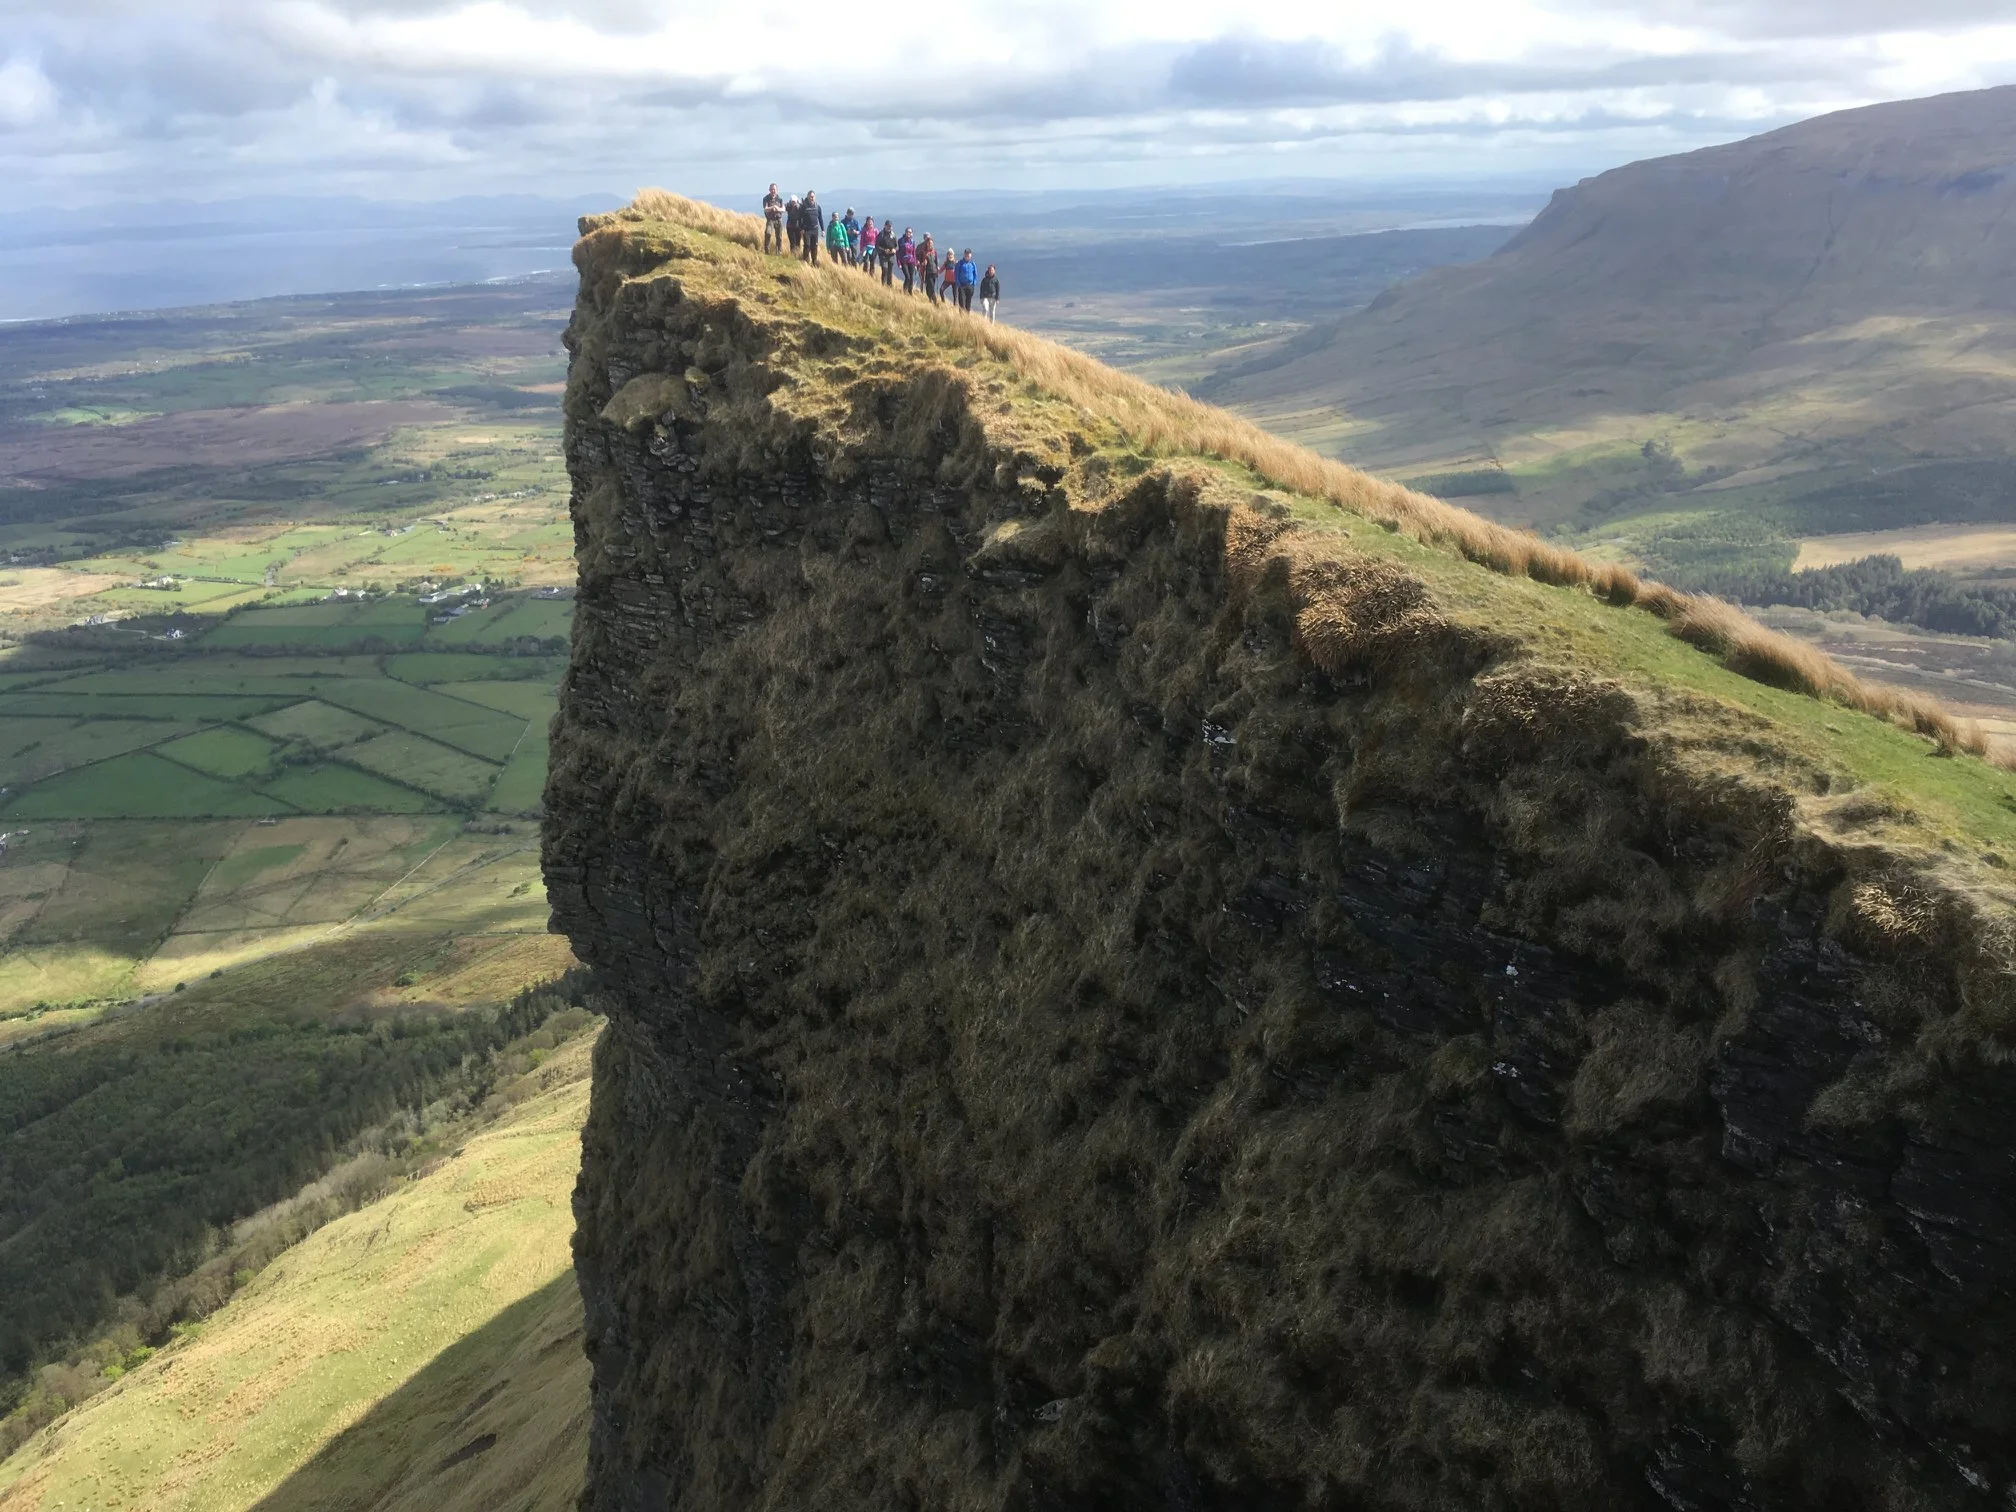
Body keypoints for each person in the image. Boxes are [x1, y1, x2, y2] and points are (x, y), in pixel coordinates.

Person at [800, 192, 824, 264]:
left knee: (815, 245)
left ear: (815, 197)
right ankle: (805, 260)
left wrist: (823, 230)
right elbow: (800, 218)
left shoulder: (817, 207)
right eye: (810, 197)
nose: (812, 198)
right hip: (806, 230)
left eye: (813, 196)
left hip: (815, 229)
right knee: (807, 245)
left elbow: (820, 219)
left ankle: (814, 261)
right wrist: (801, 229)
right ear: (807, 197)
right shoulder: (804, 207)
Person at [762, 183, 785, 254]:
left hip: (778, 219)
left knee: (779, 237)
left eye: (774, 189)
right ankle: (767, 251)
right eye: (771, 189)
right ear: (769, 190)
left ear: (777, 190)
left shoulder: (780, 199)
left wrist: (777, 208)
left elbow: (783, 209)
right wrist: (772, 207)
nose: (773, 191)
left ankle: (779, 252)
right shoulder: (766, 199)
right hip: (770, 220)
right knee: (768, 233)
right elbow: (765, 209)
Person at [955, 248, 979, 312]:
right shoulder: (960, 263)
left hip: (970, 286)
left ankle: (967, 316)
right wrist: (958, 284)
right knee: (962, 302)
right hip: (962, 285)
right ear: (964, 254)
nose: (967, 255)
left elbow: (975, 274)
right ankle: (961, 316)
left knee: (968, 302)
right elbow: (956, 274)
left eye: (968, 254)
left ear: (970, 255)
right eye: (966, 254)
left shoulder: (972, 264)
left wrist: (974, 283)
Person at [916, 234, 937, 302]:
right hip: (926, 272)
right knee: (930, 286)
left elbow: (935, 261)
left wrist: (937, 270)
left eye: (931, 243)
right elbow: (919, 260)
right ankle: (934, 300)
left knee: (931, 286)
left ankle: (930, 299)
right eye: (929, 243)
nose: (930, 244)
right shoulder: (923, 251)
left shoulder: (934, 252)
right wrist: (922, 263)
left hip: (934, 271)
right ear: (927, 243)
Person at [897, 228, 917, 294]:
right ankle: (904, 291)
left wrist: (915, 263)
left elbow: (914, 252)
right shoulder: (900, 240)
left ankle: (910, 291)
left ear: (912, 233)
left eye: (910, 232)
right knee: (907, 277)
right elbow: (898, 252)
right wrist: (899, 263)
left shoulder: (913, 241)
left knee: (911, 277)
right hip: (904, 261)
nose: (909, 233)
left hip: (911, 261)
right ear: (905, 232)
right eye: (907, 232)